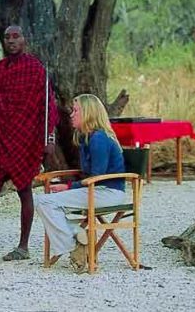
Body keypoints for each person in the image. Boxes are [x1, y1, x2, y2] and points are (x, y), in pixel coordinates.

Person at [0, 25, 58, 262]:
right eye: (7, 37)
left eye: (16, 36)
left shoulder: (36, 69)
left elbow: (48, 107)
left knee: (24, 189)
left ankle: (23, 247)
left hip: (27, 139)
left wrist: (50, 138)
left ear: (24, 39)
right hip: (3, 141)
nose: (11, 41)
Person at [34, 94, 127, 272]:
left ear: (89, 113)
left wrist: (68, 187)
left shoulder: (99, 139)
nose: (71, 115)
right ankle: (76, 237)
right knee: (46, 202)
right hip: (96, 190)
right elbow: (88, 175)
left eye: (76, 111)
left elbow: (96, 177)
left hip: (107, 192)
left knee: (44, 201)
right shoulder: (86, 137)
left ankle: (75, 243)